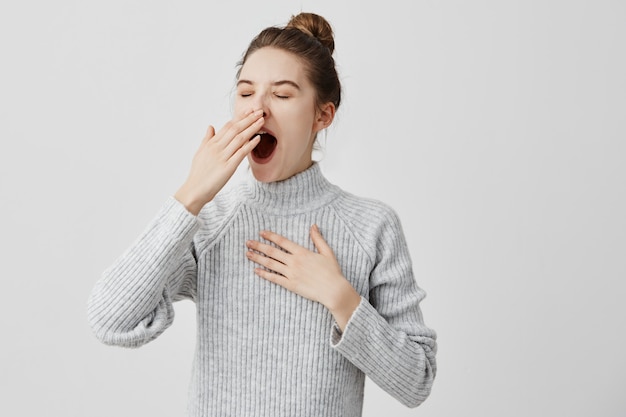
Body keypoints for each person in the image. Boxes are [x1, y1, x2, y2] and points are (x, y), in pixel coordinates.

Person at [87, 12, 437, 417]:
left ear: (322, 116)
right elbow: (109, 321)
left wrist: (340, 298)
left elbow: (417, 382)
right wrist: (190, 195)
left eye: (283, 95)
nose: (258, 110)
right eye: (246, 92)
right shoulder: (211, 221)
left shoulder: (371, 226)